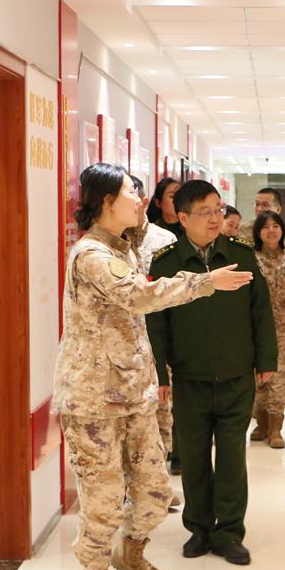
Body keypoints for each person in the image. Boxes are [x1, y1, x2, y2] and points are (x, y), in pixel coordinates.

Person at [53, 163, 252, 570]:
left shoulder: (124, 244)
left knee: (155, 493)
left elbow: (159, 237)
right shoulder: (92, 255)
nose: (141, 199)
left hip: (134, 395)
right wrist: (204, 282)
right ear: (106, 202)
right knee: (103, 503)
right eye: (131, 192)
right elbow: (139, 296)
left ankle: (131, 552)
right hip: (94, 403)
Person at [147, 180, 277, 566]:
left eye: (218, 210)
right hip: (190, 377)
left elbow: (261, 310)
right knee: (194, 457)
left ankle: (229, 532)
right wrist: (161, 375)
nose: (215, 219)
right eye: (205, 212)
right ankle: (199, 529)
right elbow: (156, 324)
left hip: (237, 374)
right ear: (182, 218)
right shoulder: (166, 263)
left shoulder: (240, 255)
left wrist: (266, 360)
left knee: (233, 457)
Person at [128, 174, 181, 505]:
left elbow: (176, 294)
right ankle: (130, 489)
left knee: (161, 416)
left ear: (145, 201)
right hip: (123, 348)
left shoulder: (164, 241)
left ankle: (157, 487)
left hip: (158, 342)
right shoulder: (108, 244)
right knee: (127, 420)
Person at [250, 211, 285, 449]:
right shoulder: (251, 259)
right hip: (254, 329)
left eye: (276, 226)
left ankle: (275, 429)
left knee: (278, 377)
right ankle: (261, 424)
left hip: (282, 329)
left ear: (282, 230)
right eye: (266, 227)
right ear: (258, 232)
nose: (271, 231)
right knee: (257, 378)